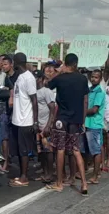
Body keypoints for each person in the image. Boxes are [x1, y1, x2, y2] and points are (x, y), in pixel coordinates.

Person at [46, 53, 89, 195]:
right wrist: (82, 120)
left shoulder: (60, 78)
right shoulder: (82, 79)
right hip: (75, 119)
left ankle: (59, 183)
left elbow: (47, 83)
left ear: (65, 63)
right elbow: (85, 101)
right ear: (76, 64)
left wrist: (58, 72)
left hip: (61, 118)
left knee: (60, 149)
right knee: (76, 150)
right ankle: (83, 183)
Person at [9, 52, 38, 187]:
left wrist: (35, 121)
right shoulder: (20, 77)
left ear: (15, 62)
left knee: (24, 150)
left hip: (26, 120)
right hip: (17, 120)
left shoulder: (28, 78)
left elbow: (34, 100)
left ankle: (24, 177)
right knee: (20, 150)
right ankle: (22, 174)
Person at [80, 69, 105, 184]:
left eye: (96, 77)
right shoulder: (90, 90)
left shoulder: (99, 92)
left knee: (95, 151)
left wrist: (82, 112)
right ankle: (84, 171)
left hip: (95, 125)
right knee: (85, 149)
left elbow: (94, 109)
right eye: (92, 77)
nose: (93, 79)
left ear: (100, 79)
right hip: (87, 124)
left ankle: (95, 175)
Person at [33, 70, 56, 183]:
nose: (36, 80)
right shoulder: (34, 92)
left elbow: (53, 108)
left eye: (37, 78)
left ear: (41, 79)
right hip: (38, 126)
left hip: (46, 126)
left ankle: (50, 174)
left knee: (48, 151)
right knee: (41, 152)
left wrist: (49, 125)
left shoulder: (46, 91)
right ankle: (45, 172)